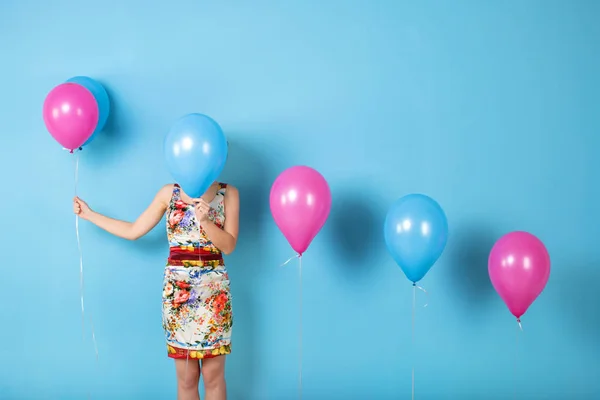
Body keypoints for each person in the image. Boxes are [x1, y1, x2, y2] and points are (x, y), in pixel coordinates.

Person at [74, 181, 239, 400]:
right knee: (187, 378)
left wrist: (206, 222)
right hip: (179, 296)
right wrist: (90, 214)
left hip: (214, 293)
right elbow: (134, 230)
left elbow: (229, 245)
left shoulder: (228, 193)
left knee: (213, 376)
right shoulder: (170, 193)